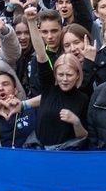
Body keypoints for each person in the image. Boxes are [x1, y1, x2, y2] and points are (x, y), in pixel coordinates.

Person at [24, 9, 90, 149]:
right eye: (60, 75)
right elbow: (41, 55)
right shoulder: (49, 88)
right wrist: (31, 22)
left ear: (78, 75)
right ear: (54, 74)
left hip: (67, 153)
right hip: (39, 150)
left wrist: (76, 122)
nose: (64, 79)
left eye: (69, 75)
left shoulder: (83, 98)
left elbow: (84, 135)